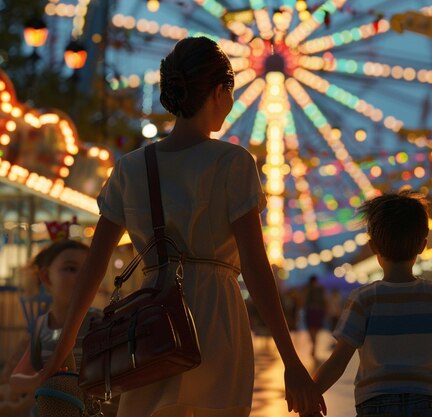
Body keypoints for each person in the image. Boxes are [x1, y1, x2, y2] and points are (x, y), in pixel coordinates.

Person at [10, 37, 325, 417]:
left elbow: (95, 268)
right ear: (220, 91)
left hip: (151, 324)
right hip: (217, 317)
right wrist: (290, 361)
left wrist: (56, 358)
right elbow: (257, 270)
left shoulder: (130, 168)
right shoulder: (233, 163)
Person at [306, 191, 432, 417]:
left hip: (375, 404)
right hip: (427, 403)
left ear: (373, 247)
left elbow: (338, 361)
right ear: (422, 245)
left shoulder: (363, 299)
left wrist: (312, 395)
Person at [9, 239, 102, 416]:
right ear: (46, 277)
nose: (81, 276)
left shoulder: (99, 321)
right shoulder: (41, 326)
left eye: (87, 270)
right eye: (70, 269)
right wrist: (38, 379)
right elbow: (16, 379)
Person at [304, 275, 326, 359]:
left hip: (311, 310)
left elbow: (305, 301)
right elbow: (323, 301)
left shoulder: (308, 289)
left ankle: (313, 343)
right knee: (316, 329)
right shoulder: (320, 289)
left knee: (310, 328)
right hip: (318, 311)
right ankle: (314, 344)